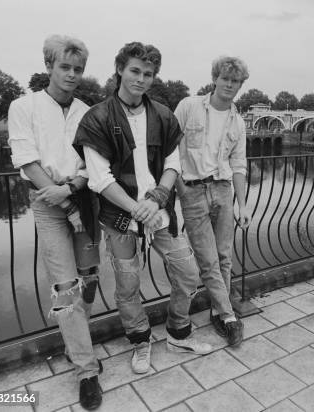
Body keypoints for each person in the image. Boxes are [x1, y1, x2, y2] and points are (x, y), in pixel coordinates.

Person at [73, 42, 216, 376]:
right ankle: (140, 339)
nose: (140, 78)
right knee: (127, 284)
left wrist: (156, 198)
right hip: (121, 216)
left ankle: (178, 332)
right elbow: (98, 177)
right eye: (135, 70)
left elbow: (172, 162)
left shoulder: (162, 115)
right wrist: (138, 208)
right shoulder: (98, 117)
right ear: (120, 69)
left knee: (188, 271)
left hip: (160, 212)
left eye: (148, 73)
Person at [8, 35, 102, 410]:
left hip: (83, 199)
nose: (72, 75)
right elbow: (27, 160)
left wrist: (75, 189)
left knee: (90, 278)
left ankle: (74, 343)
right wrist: (63, 199)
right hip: (48, 203)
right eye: (65, 67)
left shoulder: (87, 111)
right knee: (65, 287)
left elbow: (93, 164)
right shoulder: (23, 106)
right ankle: (86, 368)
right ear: (49, 66)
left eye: (78, 69)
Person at [173, 56, 250, 345]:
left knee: (224, 257)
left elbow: (239, 165)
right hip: (192, 190)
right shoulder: (189, 106)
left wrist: (243, 204)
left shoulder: (238, 122)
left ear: (240, 85)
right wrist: (179, 185)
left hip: (222, 190)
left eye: (235, 81)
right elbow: (170, 147)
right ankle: (229, 317)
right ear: (215, 78)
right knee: (207, 260)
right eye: (225, 78)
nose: (230, 84)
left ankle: (219, 311)